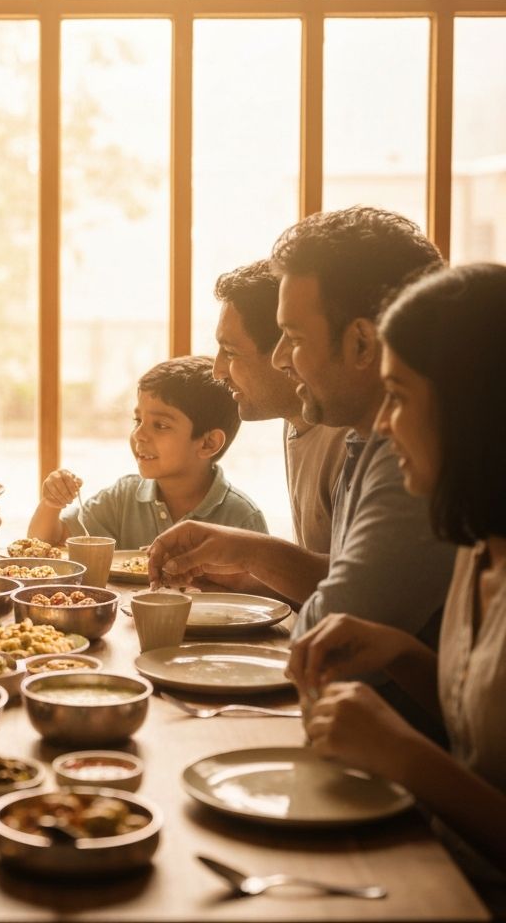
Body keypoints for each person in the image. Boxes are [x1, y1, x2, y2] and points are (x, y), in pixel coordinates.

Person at [147, 208, 456, 727]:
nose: (282, 360)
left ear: (360, 342)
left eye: (291, 336)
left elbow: (328, 636)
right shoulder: (363, 436)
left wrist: (253, 560)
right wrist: (246, 556)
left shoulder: (411, 454)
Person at [288, 263, 506, 906]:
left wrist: (407, 758)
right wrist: (404, 656)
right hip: (430, 873)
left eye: (401, 397)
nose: (383, 425)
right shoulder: (477, 545)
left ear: (473, 411)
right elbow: (485, 753)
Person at [27, 355, 267, 549]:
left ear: (208, 443)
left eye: (160, 425)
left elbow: (262, 601)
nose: (139, 434)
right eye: (137, 420)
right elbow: (44, 543)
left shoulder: (242, 519)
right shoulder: (123, 498)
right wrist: (51, 502)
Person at [213, 260, 347, 553]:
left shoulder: (350, 439)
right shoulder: (295, 419)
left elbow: (355, 587)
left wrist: (252, 553)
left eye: (230, 352)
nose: (217, 371)